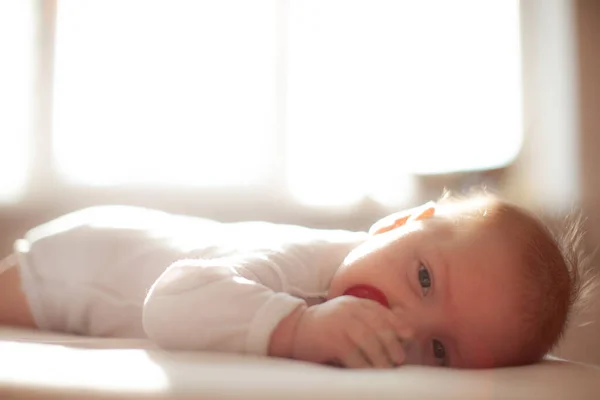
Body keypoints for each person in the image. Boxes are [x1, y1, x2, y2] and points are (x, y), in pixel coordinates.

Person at [0, 192, 591, 369]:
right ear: (398, 223)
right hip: (74, 265)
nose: (406, 322)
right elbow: (171, 303)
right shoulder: (296, 258)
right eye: (424, 278)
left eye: (440, 349)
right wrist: (299, 327)